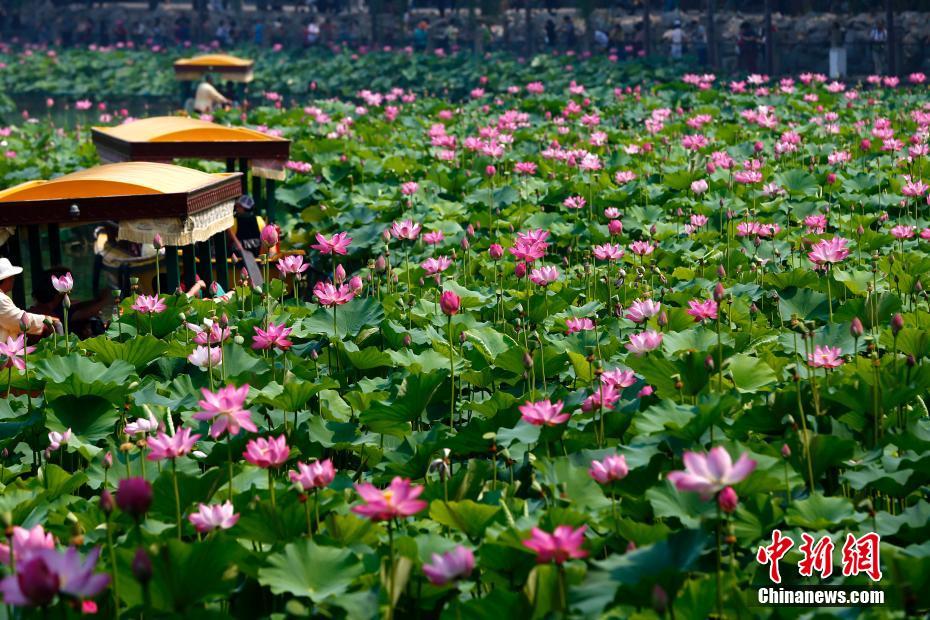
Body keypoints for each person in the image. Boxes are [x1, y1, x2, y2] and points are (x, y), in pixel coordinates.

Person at [30, 268, 109, 339]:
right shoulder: (54, 316)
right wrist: (106, 299)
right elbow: (84, 313)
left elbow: (77, 305)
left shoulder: (36, 310)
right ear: (58, 292)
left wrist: (97, 300)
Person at [0, 258, 59, 342]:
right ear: (7, 279)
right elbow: (18, 319)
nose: (13, 280)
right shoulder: (1, 299)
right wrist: (45, 320)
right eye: (12, 277)